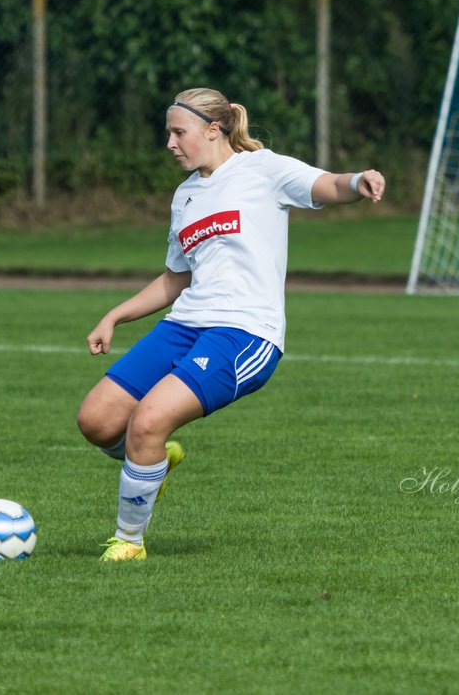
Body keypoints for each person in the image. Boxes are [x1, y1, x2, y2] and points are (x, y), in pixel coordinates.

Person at [76, 87, 386, 561]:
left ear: (214, 129)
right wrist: (115, 315)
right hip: (185, 325)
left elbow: (325, 184)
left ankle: (129, 543)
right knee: (96, 421)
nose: (170, 144)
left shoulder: (262, 171)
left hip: (243, 333)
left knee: (148, 421)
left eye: (179, 133)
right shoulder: (185, 197)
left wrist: (357, 181)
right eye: (168, 134)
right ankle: (155, 459)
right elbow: (177, 278)